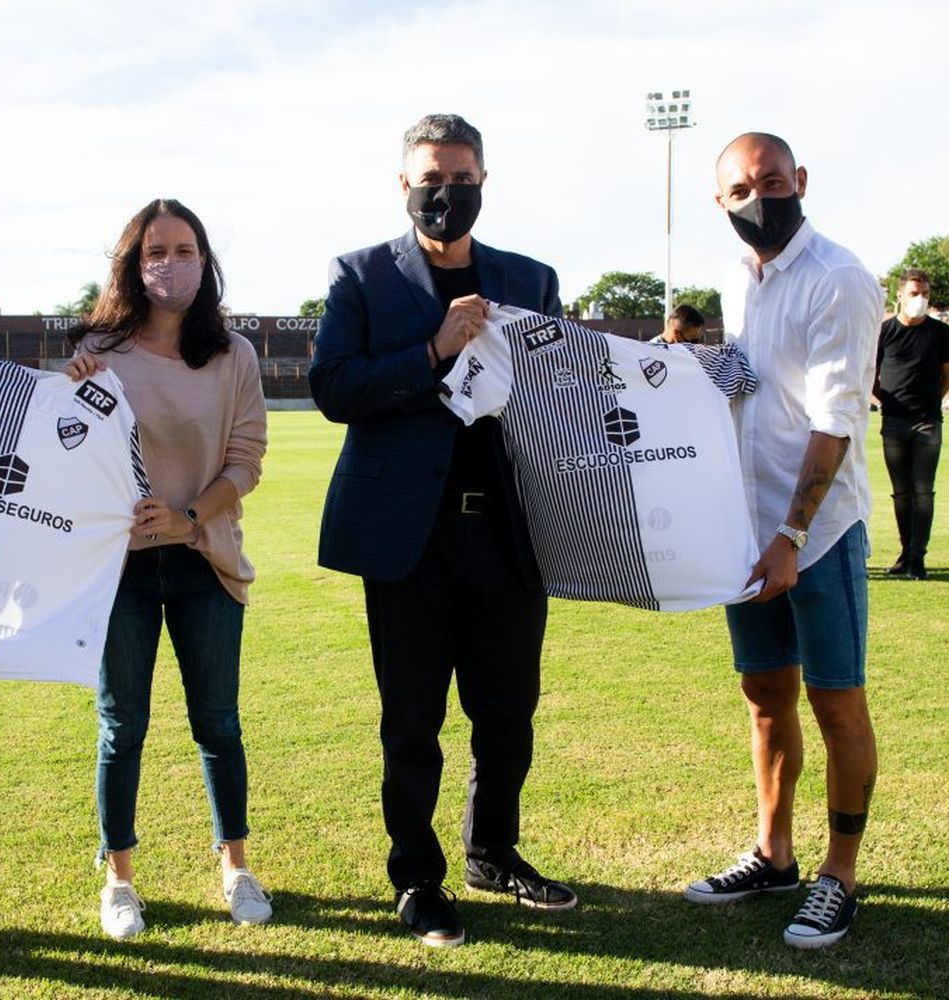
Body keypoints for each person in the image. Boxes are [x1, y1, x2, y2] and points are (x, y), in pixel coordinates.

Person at [309, 113, 575, 950]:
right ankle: (417, 878)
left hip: (508, 531)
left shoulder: (531, 279)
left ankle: (492, 851)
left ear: (483, 182)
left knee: (508, 712)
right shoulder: (359, 275)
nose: (446, 192)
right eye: (431, 177)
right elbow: (333, 388)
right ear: (403, 184)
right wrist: (433, 349)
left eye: (462, 178)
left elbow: (560, 390)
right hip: (407, 539)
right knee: (412, 718)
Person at [685, 132, 882, 950]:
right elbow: (754, 378)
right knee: (765, 700)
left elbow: (836, 418)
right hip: (748, 528)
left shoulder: (839, 278)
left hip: (818, 532)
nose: (757, 197)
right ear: (721, 203)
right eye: (739, 189)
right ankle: (774, 854)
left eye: (770, 181)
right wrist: (691, 366)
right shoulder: (741, 277)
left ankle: (839, 871)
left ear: (799, 180)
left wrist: (795, 534)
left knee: (836, 699)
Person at [64, 199, 271, 940]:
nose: (170, 264)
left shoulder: (234, 355)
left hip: (204, 564)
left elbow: (245, 459)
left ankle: (238, 868)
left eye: (184, 251)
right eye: (156, 251)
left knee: (218, 722)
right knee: (122, 728)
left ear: (204, 261)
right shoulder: (99, 349)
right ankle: (119, 881)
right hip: (117, 574)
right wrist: (74, 384)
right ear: (133, 261)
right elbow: (71, 456)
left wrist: (189, 520)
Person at [873, 268, 949, 579]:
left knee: (923, 491)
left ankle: (917, 557)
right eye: (914, 294)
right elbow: (872, 374)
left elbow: (947, 378)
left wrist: (929, 404)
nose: (920, 299)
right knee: (901, 492)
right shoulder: (885, 331)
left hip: (927, 423)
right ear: (900, 296)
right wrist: (887, 402)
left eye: (924, 294)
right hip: (894, 421)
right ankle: (904, 551)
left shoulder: (940, 333)